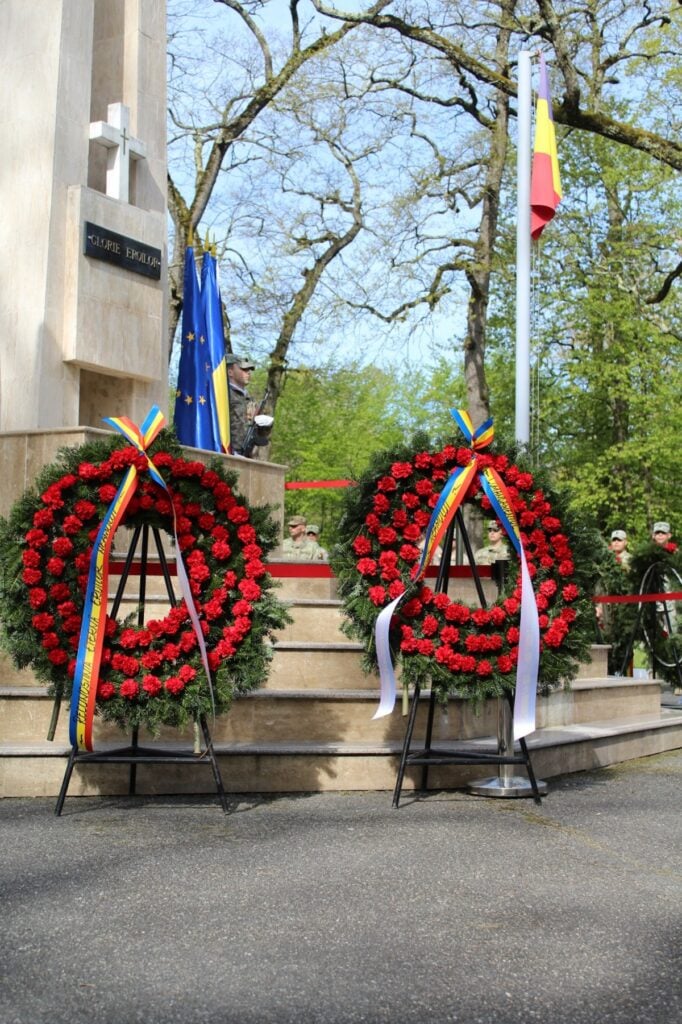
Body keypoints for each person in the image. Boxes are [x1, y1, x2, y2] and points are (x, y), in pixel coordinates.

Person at [227, 354, 273, 457]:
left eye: (249, 370)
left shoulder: (250, 399)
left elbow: (260, 435)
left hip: (247, 456)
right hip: (226, 453)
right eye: (243, 369)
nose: (248, 372)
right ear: (230, 372)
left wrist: (266, 426)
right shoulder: (223, 395)